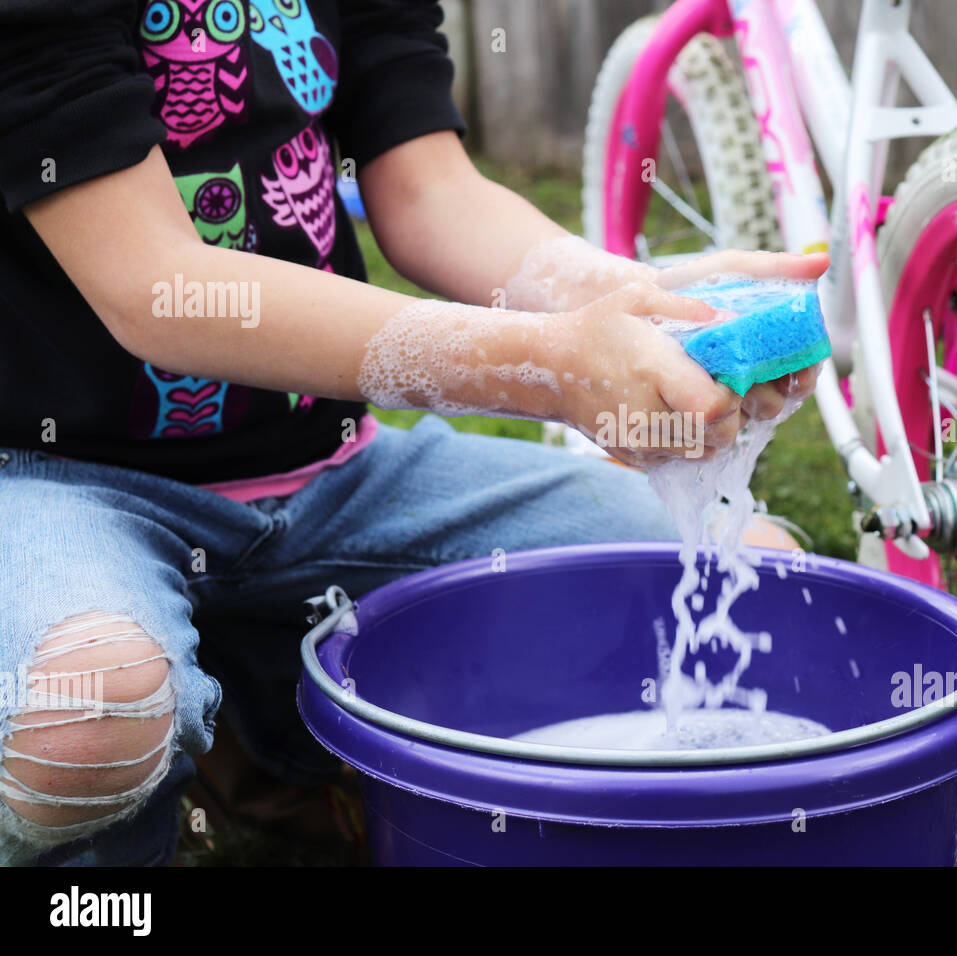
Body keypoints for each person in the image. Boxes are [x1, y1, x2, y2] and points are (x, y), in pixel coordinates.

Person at [0, 0, 827, 865]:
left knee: (760, 565)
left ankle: (261, 737)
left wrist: (651, 306)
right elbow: (155, 287)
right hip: (59, 478)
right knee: (90, 717)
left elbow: (433, 193)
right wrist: (548, 365)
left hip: (336, 472)